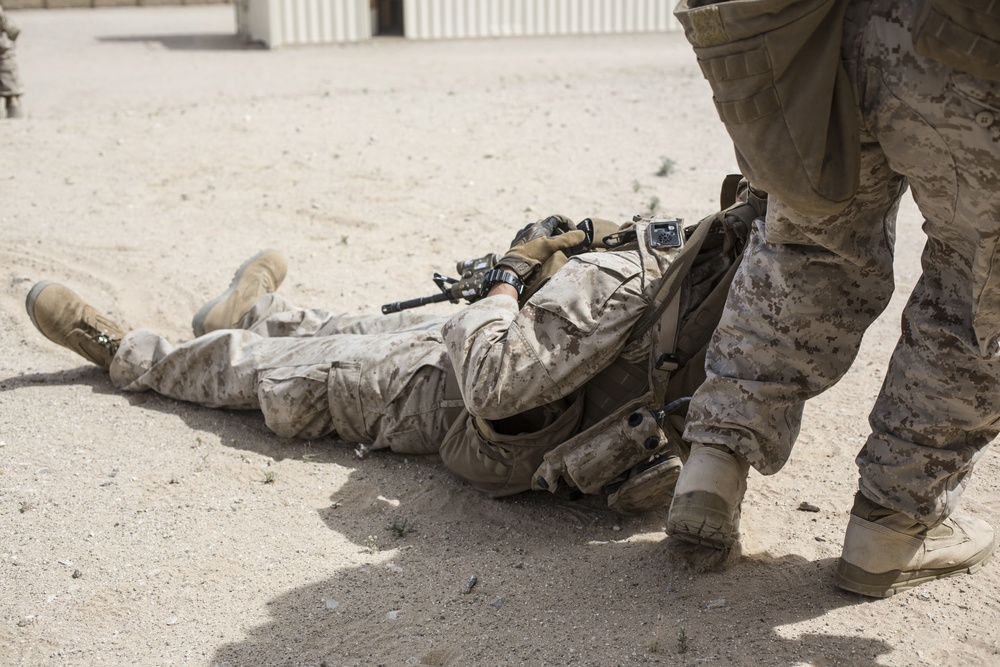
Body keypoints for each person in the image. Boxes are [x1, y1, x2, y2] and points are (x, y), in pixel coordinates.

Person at [24, 204, 751, 513]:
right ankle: (257, 313)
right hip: (533, 374)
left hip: (474, 405)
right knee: (364, 325)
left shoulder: (705, 282)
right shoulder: (750, 289)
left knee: (292, 375)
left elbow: (496, 383)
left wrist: (507, 277)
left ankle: (126, 352)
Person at [666, 0, 999, 597]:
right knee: (976, 283)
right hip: (968, 50)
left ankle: (712, 464)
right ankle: (891, 528)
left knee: (807, 243)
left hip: (819, 31)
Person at [0, 2, 23, 119]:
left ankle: (14, 110)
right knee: (11, 91)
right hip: (3, 54)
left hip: (3, 55)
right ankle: (14, 109)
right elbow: (14, 30)